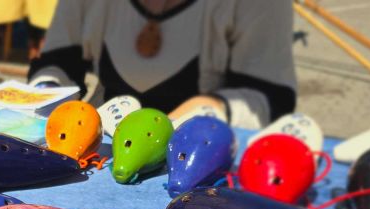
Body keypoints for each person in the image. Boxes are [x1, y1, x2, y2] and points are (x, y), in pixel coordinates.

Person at [28, 0, 296, 129]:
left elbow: (272, 97)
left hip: (206, 168)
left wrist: (208, 107)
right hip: (101, 155)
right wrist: (44, 95)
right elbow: (57, 62)